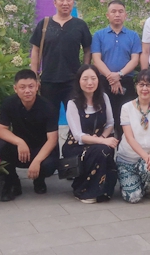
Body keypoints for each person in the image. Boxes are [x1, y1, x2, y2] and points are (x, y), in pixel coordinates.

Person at [0, 69, 59, 202]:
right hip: (20, 149)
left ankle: (39, 179)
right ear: (15, 89)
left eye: (31, 86)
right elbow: (0, 130)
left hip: (41, 148)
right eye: (22, 87)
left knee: (49, 164)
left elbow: (52, 139)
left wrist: (37, 161)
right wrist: (19, 142)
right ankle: (12, 182)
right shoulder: (9, 103)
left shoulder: (48, 107)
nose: (27, 91)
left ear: (37, 87)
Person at [30, 0, 92, 117]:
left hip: (73, 80)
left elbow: (88, 49)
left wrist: (85, 71)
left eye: (69, 0)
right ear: (55, 2)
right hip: (48, 80)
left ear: (73, 2)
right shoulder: (44, 24)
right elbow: (35, 50)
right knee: (49, 118)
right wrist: (34, 76)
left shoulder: (80, 25)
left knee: (76, 116)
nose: (65, 3)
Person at [62, 64, 118, 203]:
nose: (89, 82)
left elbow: (110, 123)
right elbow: (78, 136)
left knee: (103, 149)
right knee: (101, 149)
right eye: (85, 79)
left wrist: (103, 137)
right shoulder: (73, 103)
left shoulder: (103, 97)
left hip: (99, 142)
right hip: (77, 146)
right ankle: (83, 190)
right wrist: (103, 141)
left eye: (93, 78)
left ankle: (104, 190)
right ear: (79, 81)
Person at [92, 0, 142, 140]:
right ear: (107, 15)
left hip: (126, 81)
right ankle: (104, 148)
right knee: (104, 117)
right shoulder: (99, 35)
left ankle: (124, 149)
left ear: (125, 15)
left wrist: (119, 75)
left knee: (125, 118)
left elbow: (135, 60)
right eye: (113, 11)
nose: (117, 14)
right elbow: (96, 59)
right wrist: (111, 77)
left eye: (120, 11)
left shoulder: (133, 36)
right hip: (104, 81)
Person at [116, 69, 150, 203]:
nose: (145, 88)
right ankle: (138, 185)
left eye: (148, 85)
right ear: (136, 86)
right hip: (127, 160)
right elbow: (129, 138)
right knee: (133, 197)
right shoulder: (126, 108)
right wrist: (146, 157)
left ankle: (146, 186)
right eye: (141, 84)